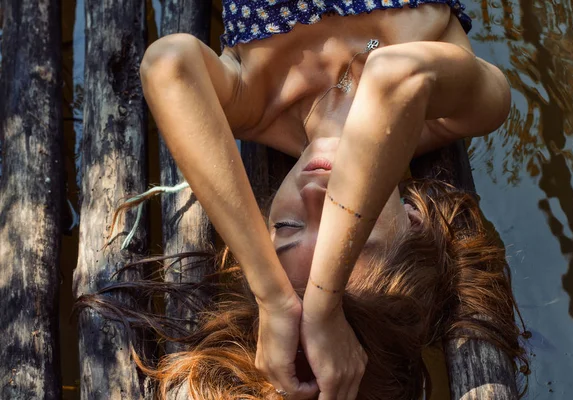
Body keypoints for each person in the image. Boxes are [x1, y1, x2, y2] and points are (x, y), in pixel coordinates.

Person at [128, 0, 512, 398]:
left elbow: (167, 63)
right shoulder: (464, 112)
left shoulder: (253, 106)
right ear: (414, 221)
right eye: (347, 235)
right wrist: (324, 305)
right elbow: (394, 75)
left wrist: (274, 298)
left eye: (288, 228)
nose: (314, 196)